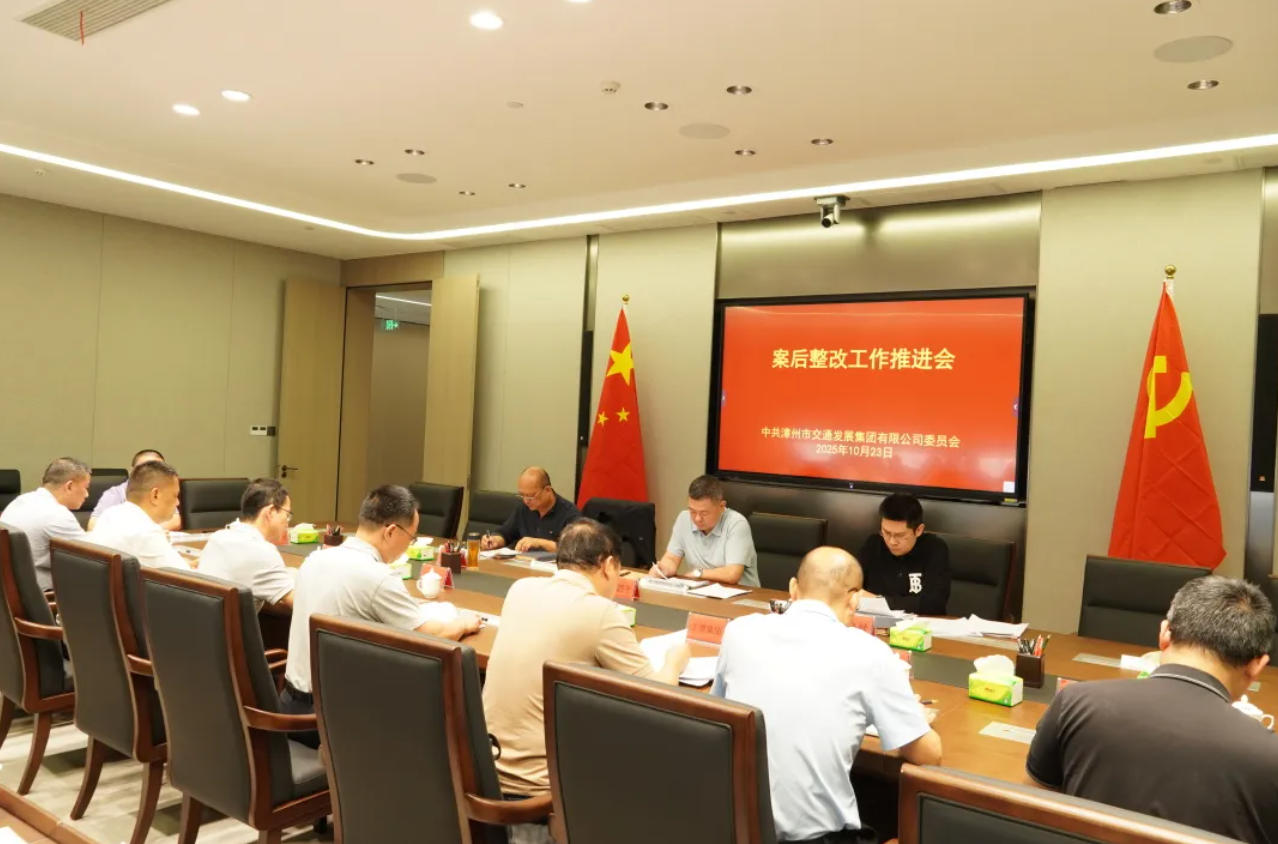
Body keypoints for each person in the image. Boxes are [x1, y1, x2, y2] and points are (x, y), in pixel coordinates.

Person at [712, 546, 941, 842]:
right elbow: (928, 755)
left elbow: (719, 717)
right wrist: (914, 714)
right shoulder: (869, 653)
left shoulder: (739, 631)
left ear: (793, 588)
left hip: (735, 829)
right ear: (854, 599)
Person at [1027, 577, 1278, 843]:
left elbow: (1030, 810)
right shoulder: (1270, 756)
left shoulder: (1075, 701)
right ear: (1257, 666)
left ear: (1164, 634)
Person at [483, 519, 691, 810]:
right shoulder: (600, 611)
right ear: (608, 565)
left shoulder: (520, 589)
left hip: (487, 767)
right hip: (542, 787)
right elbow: (658, 698)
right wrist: (675, 659)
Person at [281, 485, 482, 746]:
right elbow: (433, 636)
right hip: (334, 722)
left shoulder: (315, 560)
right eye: (411, 538)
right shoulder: (377, 577)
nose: (409, 545)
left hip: (290, 707)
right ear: (391, 532)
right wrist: (464, 623)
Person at [198, 478, 295, 611]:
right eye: (287, 515)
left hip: (205, 621)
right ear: (271, 512)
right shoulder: (263, 552)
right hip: (230, 624)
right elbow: (299, 604)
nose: (287, 522)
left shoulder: (217, 538)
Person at [0, 458, 91, 591]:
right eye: (86, 487)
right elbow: (94, 559)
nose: (87, 495)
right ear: (69, 486)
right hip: (44, 594)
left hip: (12, 590)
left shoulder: (20, 500)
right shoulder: (56, 515)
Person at [650, 474, 758, 586]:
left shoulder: (736, 523)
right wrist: (664, 569)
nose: (697, 519)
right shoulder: (684, 519)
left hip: (740, 593)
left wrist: (699, 573)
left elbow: (732, 574)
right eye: (692, 511)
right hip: (700, 591)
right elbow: (672, 558)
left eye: (704, 513)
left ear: (721, 506)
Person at [856, 493, 950, 615]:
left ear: (919, 530)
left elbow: (934, 604)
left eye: (900, 535)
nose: (892, 542)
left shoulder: (934, 548)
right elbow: (851, 591)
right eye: (886, 532)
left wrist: (877, 602)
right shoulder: (873, 544)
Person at [88, 460, 190, 570]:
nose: (177, 503)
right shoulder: (147, 531)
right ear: (155, 495)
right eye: (175, 495)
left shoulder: (109, 514)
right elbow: (187, 576)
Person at [480, 466, 582, 552]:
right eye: (522, 495)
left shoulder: (569, 514)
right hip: (522, 563)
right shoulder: (524, 508)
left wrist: (540, 543)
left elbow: (575, 549)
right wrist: (495, 540)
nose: (526, 501)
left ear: (547, 490)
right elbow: (505, 534)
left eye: (531, 496)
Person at [88, 448, 181, 531]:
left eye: (158, 469)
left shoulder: (164, 491)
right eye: (144, 468)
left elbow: (175, 521)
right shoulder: (115, 493)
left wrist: (150, 532)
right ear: (132, 471)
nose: (150, 473)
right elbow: (93, 526)